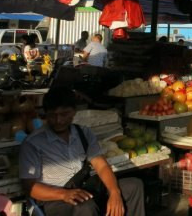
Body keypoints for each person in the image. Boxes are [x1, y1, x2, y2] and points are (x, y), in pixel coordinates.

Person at [19, 87, 145, 216]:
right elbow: (30, 187)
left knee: (133, 186)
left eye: (64, 114)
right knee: (85, 206)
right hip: (54, 199)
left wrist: (114, 192)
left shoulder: (84, 133)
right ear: (45, 115)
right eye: (52, 115)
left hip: (82, 188)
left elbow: (101, 166)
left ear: (74, 112)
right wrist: (64, 194)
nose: (59, 120)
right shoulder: (32, 143)